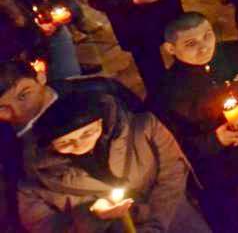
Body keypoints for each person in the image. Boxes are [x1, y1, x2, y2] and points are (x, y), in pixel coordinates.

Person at [152, 12, 238, 232]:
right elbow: (167, 146)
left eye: (208, 35)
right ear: (170, 49)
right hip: (212, 167)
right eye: (191, 43)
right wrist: (214, 140)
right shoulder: (165, 92)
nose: (204, 47)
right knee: (226, 213)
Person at [18, 89, 210, 232]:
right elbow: (44, 225)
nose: (79, 145)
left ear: (101, 122)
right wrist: (92, 216)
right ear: (49, 146)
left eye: (88, 133)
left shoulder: (144, 128)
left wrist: (154, 225)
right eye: (66, 142)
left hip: (172, 215)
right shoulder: (36, 181)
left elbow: (173, 172)